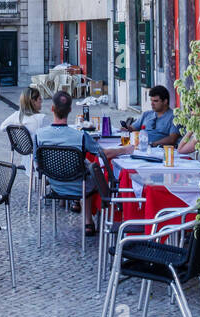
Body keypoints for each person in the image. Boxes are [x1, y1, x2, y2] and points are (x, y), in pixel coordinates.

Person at [36, 90, 133, 229]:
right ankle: (89, 221)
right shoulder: (81, 136)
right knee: (91, 173)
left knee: (84, 172)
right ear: (70, 110)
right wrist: (125, 149)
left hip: (55, 184)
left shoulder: (39, 135)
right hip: (79, 186)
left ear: (52, 108)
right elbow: (103, 154)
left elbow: (37, 163)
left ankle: (78, 207)